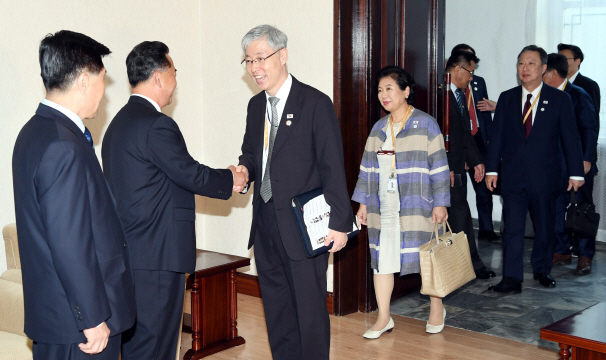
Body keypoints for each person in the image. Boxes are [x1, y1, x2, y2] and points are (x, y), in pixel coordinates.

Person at [102, 41, 245, 359]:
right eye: (175, 72)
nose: (176, 82)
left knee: (138, 341)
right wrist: (230, 178)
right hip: (156, 255)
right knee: (156, 345)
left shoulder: (118, 124)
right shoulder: (156, 124)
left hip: (132, 253)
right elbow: (189, 173)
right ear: (159, 77)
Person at [12, 30, 136, 359]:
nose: (103, 92)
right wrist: (93, 317)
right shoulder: (61, 145)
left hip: (58, 316)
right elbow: (70, 242)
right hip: (78, 327)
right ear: (83, 80)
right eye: (102, 80)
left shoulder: (34, 132)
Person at [235, 25, 352, 360]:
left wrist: (340, 223)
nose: (255, 67)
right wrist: (244, 170)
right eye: (248, 61)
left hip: (304, 228)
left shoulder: (314, 103)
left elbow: (333, 166)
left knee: (310, 313)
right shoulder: (256, 107)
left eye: (260, 58)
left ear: (282, 55)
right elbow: (252, 154)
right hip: (266, 225)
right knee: (277, 311)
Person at [353, 66, 450, 337]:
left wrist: (440, 202)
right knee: (381, 259)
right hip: (383, 206)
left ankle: (436, 308)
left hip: (418, 204)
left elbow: (440, 167)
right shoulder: (378, 129)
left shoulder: (425, 124)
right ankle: (384, 317)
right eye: (380, 90)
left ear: (406, 91)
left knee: (428, 256)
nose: (384, 95)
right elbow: (367, 169)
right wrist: (362, 203)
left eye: (389, 89)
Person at [485, 45, 585, 294]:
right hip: (513, 176)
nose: (525, 68)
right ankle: (511, 278)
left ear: (543, 69)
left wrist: (576, 173)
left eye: (531, 64)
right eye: (521, 63)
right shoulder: (507, 98)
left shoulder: (560, 99)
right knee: (513, 229)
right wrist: (491, 170)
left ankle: (542, 269)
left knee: (545, 227)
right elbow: (496, 137)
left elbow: (570, 138)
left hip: (546, 177)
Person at [543, 53, 598, 275]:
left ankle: (585, 255)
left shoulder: (578, 95)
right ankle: (562, 249)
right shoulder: (545, 95)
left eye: (542, 70)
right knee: (557, 209)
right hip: (554, 164)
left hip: (578, 165)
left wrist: (585, 159)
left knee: (582, 210)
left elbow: (589, 129)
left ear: (552, 73)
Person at [444, 50, 496, 280]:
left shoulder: (458, 95)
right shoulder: (440, 96)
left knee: (460, 216)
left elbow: (465, 133)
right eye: (470, 72)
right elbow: (437, 137)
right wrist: (444, 168)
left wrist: (476, 161)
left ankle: (468, 265)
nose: (472, 78)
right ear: (458, 70)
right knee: (461, 216)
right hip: (446, 170)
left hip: (457, 168)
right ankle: (470, 265)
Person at [451, 44, 500, 241]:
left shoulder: (478, 82)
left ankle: (486, 229)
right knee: (460, 192)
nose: (471, 75)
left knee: (484, 187)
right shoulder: (447, 87)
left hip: (478, 138)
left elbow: (483, 112)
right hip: (459, 143)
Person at [558, 43, 601, 134]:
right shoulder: (555, 85)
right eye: (558, 59)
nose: (560, 63)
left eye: (564, 59)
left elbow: (593, 121)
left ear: (577, 61)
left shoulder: (589, 85)